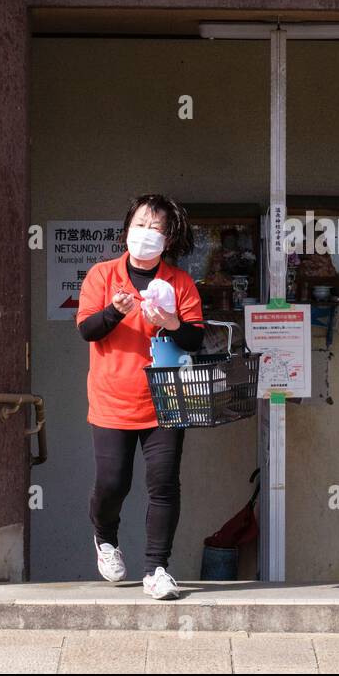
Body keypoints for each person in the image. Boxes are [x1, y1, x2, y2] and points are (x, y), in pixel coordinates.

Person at [76, 194, 205, 600]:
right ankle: (106, 537)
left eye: (156, 228)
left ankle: (157, 568)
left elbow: (196, 338)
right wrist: (115, 311)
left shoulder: (179, 283)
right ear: (127, 228)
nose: (146, 234)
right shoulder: (103, 275)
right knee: (113, 482)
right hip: (112, 400)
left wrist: (170, 322)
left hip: (165, 402)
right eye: (140, 224)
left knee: (164, 484)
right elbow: (87, 330)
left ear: (169, 238)